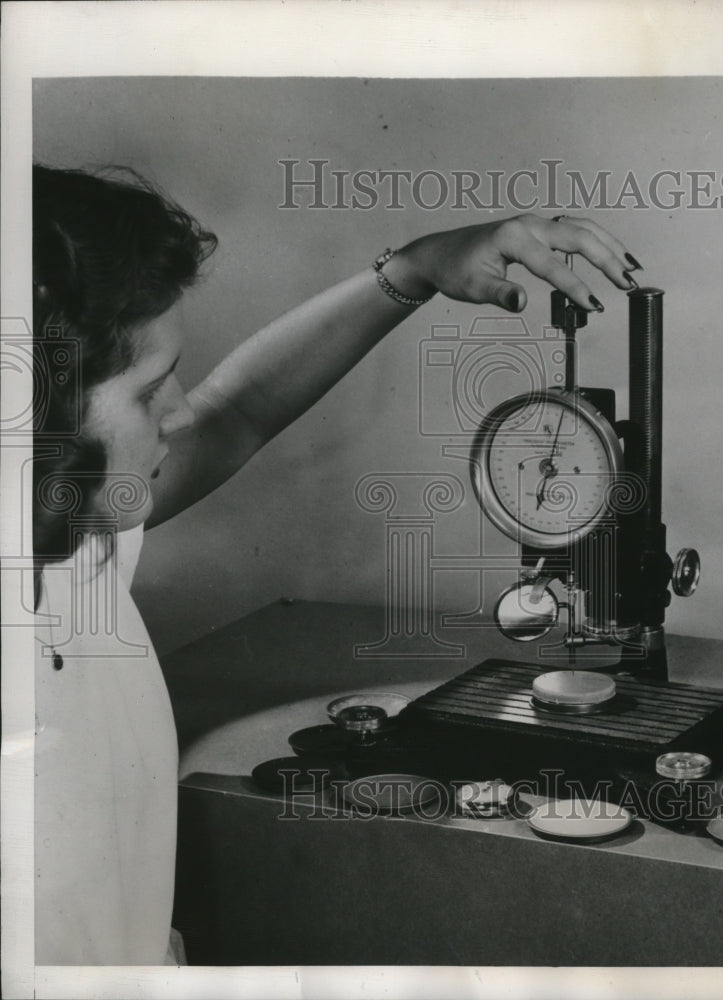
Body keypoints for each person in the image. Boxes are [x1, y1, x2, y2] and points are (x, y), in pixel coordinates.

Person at [32, 163, 641, 964]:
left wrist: (415, 270)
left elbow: (235, 411)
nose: (175, 412)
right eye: (149, 392)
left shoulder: (77, 533)